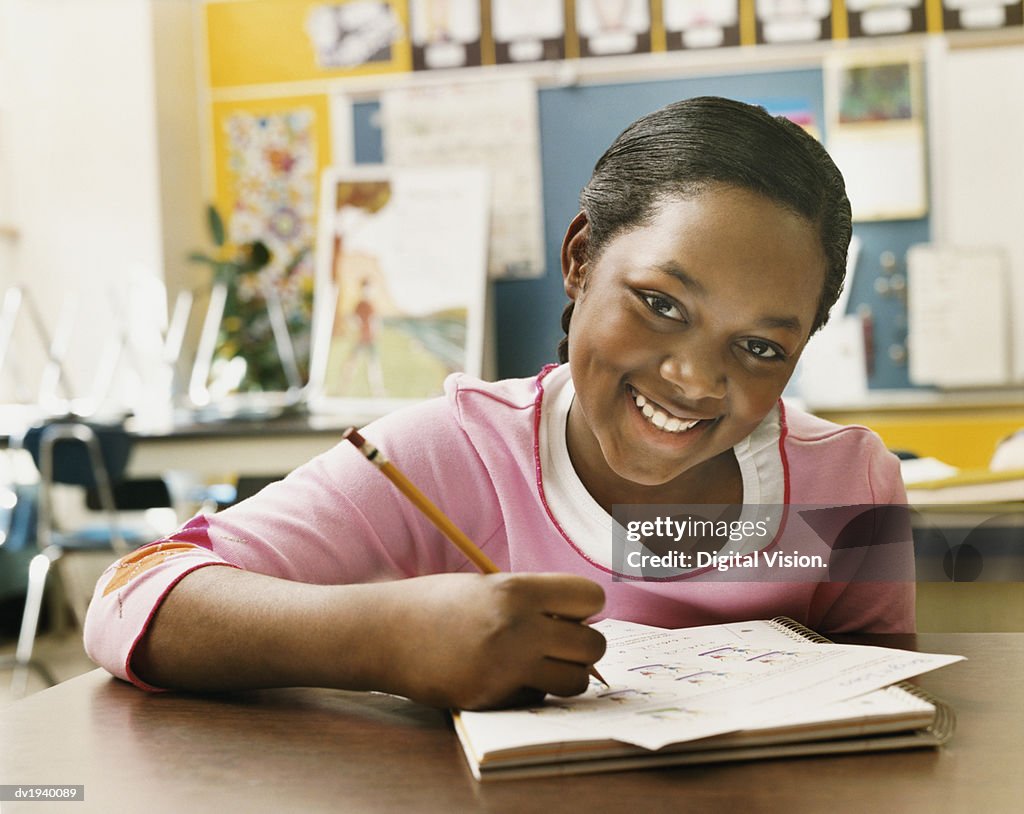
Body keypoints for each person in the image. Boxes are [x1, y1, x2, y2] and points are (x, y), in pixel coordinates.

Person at [83, 96, 914, 711]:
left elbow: (885, 710)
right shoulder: (451, 454)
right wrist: (383, 639)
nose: (696, 381)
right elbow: (129, 595)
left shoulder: (848, 486)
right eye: (660, 303)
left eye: (762, 347)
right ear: (582, 259)